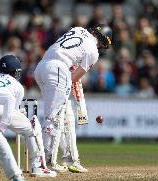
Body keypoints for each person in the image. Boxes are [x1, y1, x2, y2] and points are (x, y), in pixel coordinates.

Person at [34, 25, 112, 172]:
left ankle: (70, 159)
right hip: (58, 70)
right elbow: (74, 77)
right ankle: (46, 161)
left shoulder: (77, 29)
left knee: (66, 115)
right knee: (54, 118)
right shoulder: (93, 51)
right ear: (102, 41)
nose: (101, 47)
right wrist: (65, 85)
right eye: (103, 45)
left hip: (41, 67)